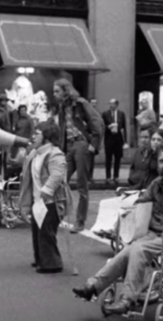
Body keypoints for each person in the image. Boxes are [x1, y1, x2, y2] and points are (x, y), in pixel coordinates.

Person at [73, 141, 163, 314]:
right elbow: (142, 204)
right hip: (153, 234)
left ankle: (127, 299)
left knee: (138, 248)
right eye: (162, 161)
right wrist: (129, 215)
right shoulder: (157, 184)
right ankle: (94, 286)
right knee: (127, 250)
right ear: (158, 164)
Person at [19, 123, 73, 274]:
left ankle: (52, 263)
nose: (34, 136)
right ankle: (41, 259)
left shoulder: (55, 153)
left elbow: (57, 175)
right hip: (39, 200)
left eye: (37, 133)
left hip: (52, 201)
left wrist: (46, 190)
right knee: (38, 231)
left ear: (47, 137)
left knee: (46, 232)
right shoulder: (35, 153)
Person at [53, 78, 103, 233]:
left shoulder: (80, 103)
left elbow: (97, 122)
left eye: (57, 91)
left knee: (82, 185)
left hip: (82, 144)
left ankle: (80, 221)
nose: (54, 94)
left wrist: (93, 145)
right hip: (69, 146)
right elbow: (62, 129)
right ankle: (58, 215)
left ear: (65, 91)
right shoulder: (62, 107)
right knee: (60, 181)